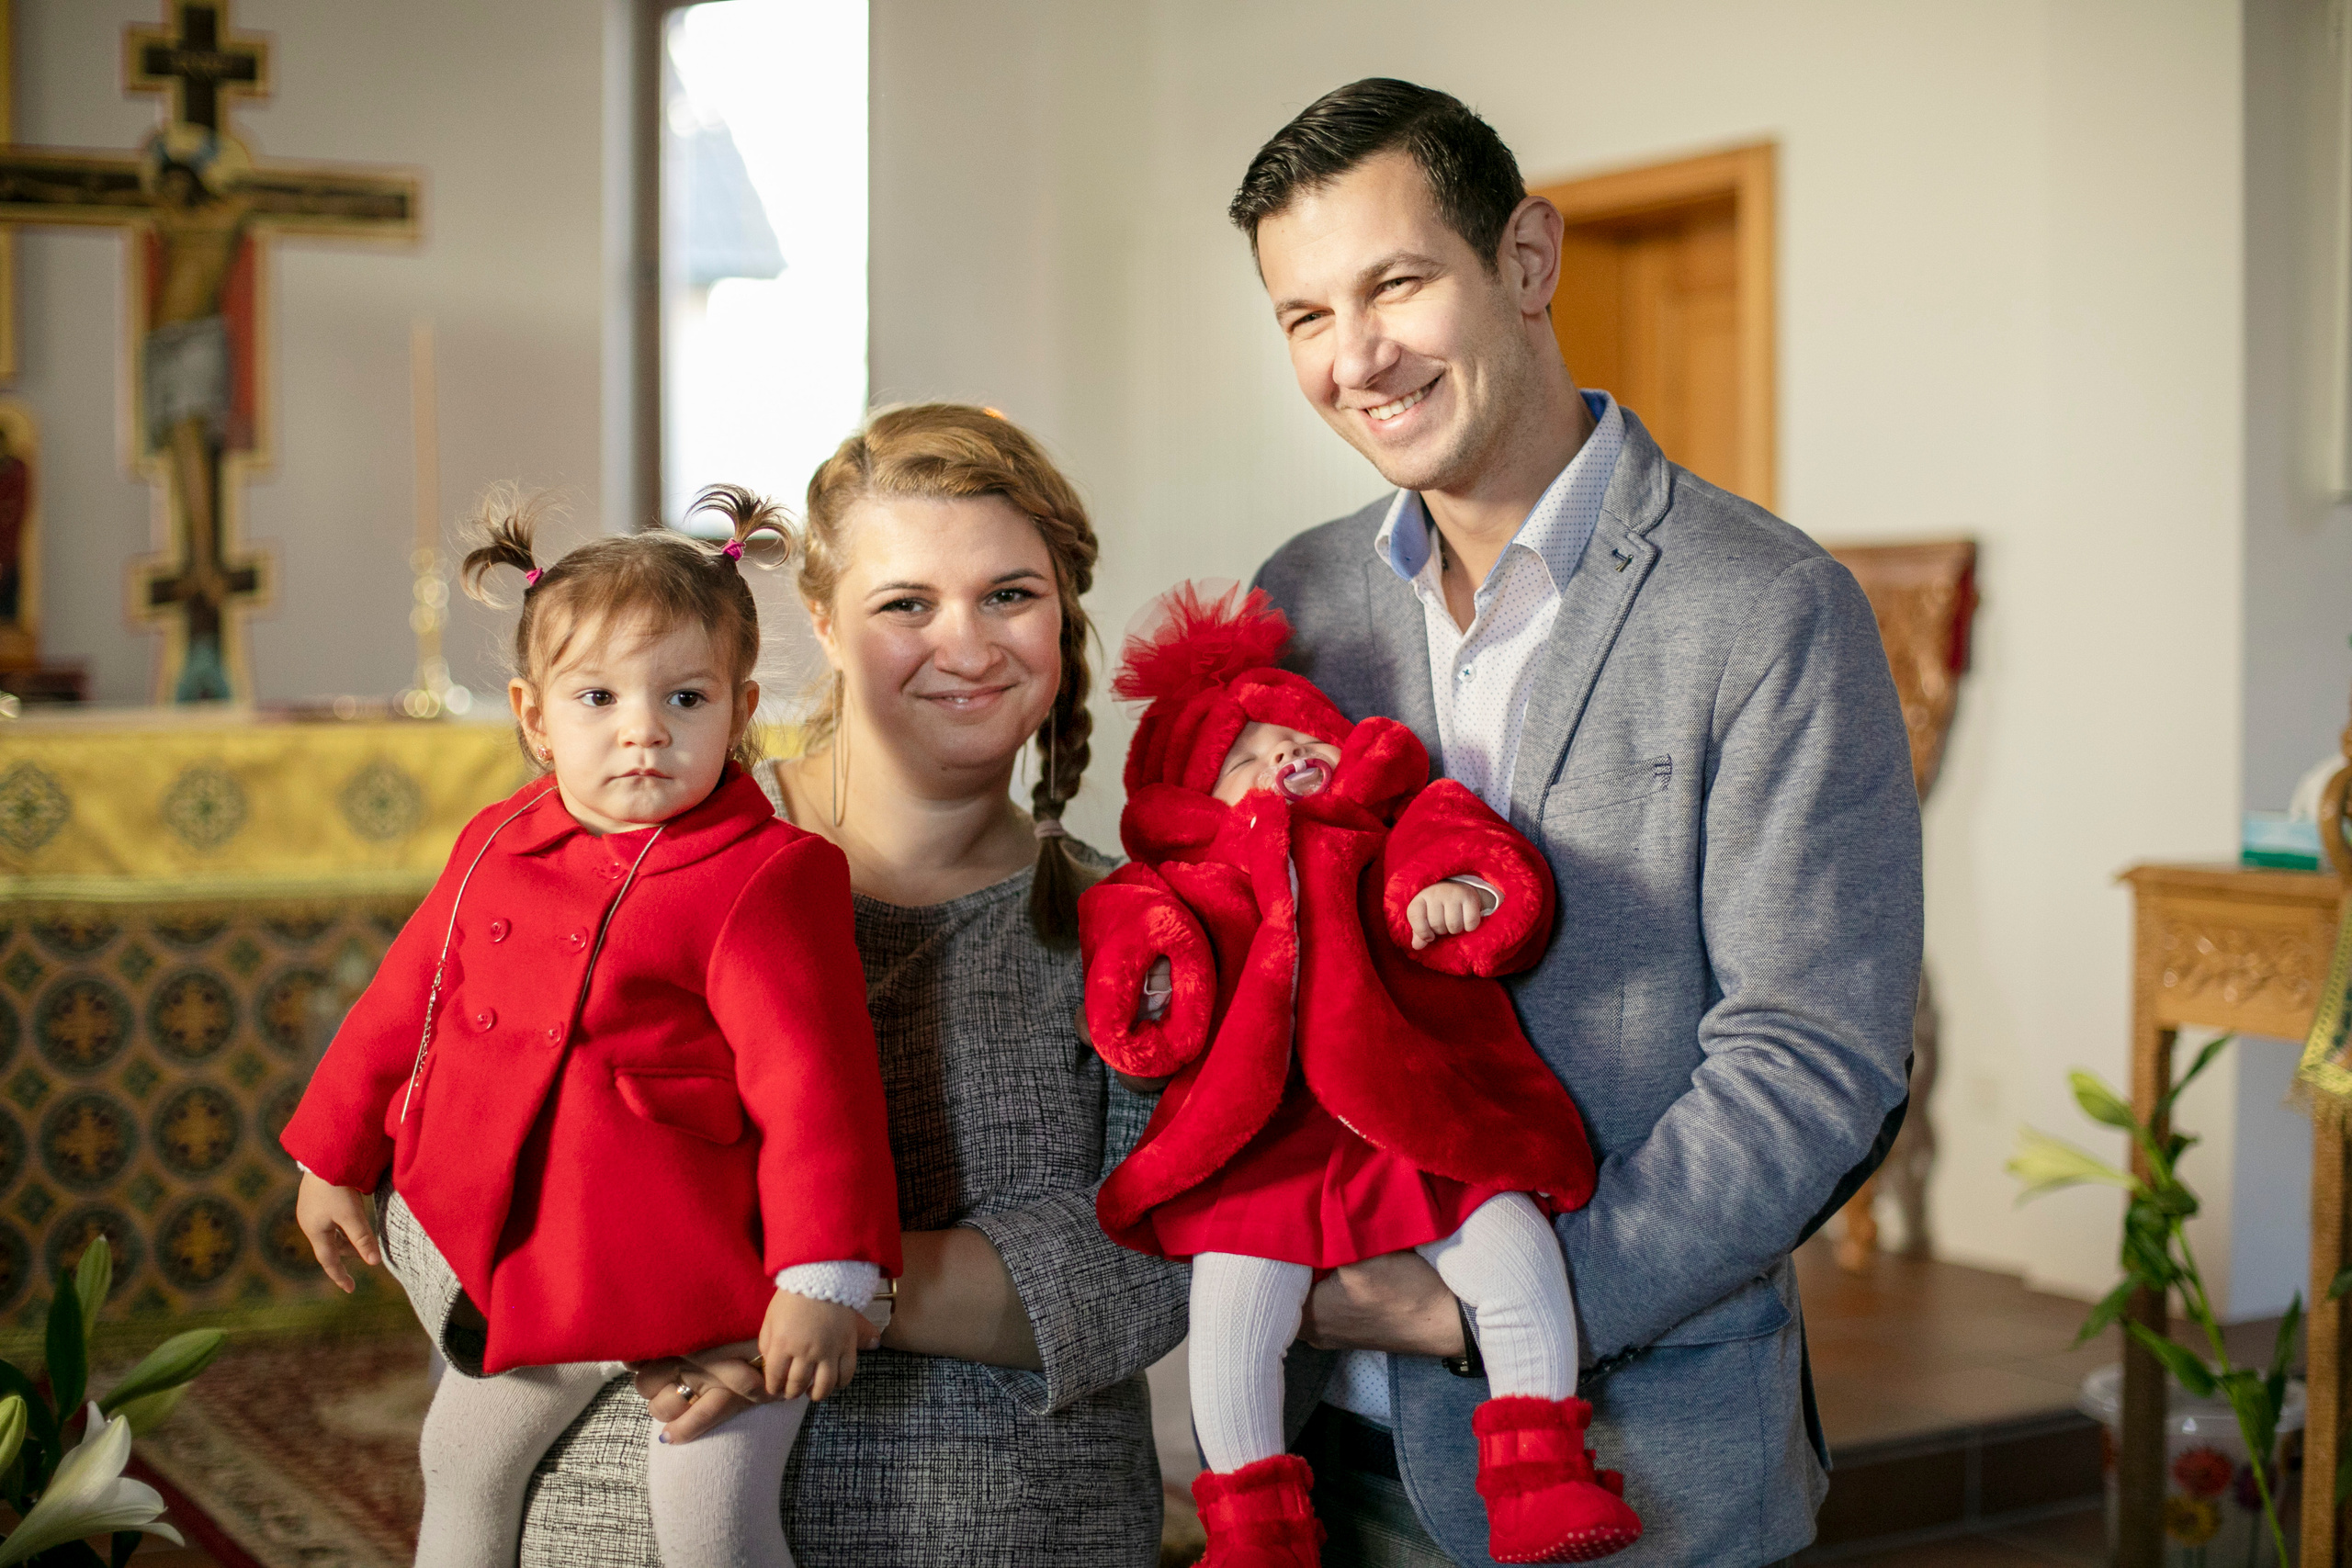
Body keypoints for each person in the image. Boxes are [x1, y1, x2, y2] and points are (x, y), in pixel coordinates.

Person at [1232, 80, 1922, 1564]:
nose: (1357, 357)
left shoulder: (1771, 608)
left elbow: (1817, 1058)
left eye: (1397, 282)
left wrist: (1500, 1299)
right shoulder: (1294, 602)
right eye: (1303, 315)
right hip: (1322, 1454)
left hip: (1640, 1467)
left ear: (1528, 260)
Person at [373, 404, 1190, 1567]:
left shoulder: (1138, 928)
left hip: (1000, 1528)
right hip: (618, 1512)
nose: (965, 645)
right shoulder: (612, 846)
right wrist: (633, 1300)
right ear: (821, 621)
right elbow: (432, 1150)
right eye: (906, 603)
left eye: (1011, 594)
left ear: (1064, 610)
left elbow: (1157, 1260)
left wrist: (813, 1294)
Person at [282, 487, 901, 1567]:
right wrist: (334, 1153)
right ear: (533, 714)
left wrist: (821, 1278)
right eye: (599, 697)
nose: (643, 731)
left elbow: (817, 1091)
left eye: (686, 698)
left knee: (707, 1511)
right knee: (462, 1457)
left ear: (741, 708)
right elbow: (404, 999)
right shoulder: (495, 838)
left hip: (701, 1260)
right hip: (535, 1247)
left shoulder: (770, 876)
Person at [1081, 582, 1642, 1565]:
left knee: (1513, 1259)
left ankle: (1542, 1473)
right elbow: (1130, 964)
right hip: (1261, 1140)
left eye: (1297, 739)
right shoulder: (1186, 881)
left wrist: (1461, 890)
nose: (1280, 761)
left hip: (1417, 1116)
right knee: (1232, 1316)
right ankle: (1252, 1526)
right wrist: (1160, 984)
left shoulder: (1392, 822)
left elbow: (1478, 853)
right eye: (1242, 762)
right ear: (1190, 806)